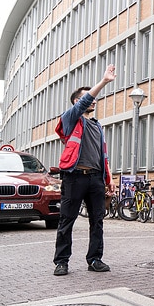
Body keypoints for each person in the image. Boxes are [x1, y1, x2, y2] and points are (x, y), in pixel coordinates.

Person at [53, 65, 116, 276]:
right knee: (66, 220)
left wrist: (109, 179)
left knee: (97, 221)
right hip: (75, 177)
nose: (94, 101)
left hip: (96, 179)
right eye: (88, 99)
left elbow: (103, 156)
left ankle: (95, 259)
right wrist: (104, 81)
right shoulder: (71, 119)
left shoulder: (97, 126)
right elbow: (86, 100)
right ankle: (61, 261)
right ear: (76, 102)